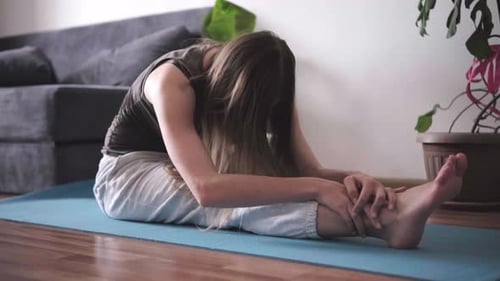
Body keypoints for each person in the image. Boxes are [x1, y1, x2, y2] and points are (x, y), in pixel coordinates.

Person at [93, 30, 468, 249]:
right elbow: (207, 189)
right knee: (225, 206)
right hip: (126, 176)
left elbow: (308, 169)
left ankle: (391, 205)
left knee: (270, 188)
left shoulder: (272, 80)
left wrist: (361, 179)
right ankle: (384, 222)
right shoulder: (173, 83)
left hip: (188, 169)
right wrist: (318, 189)